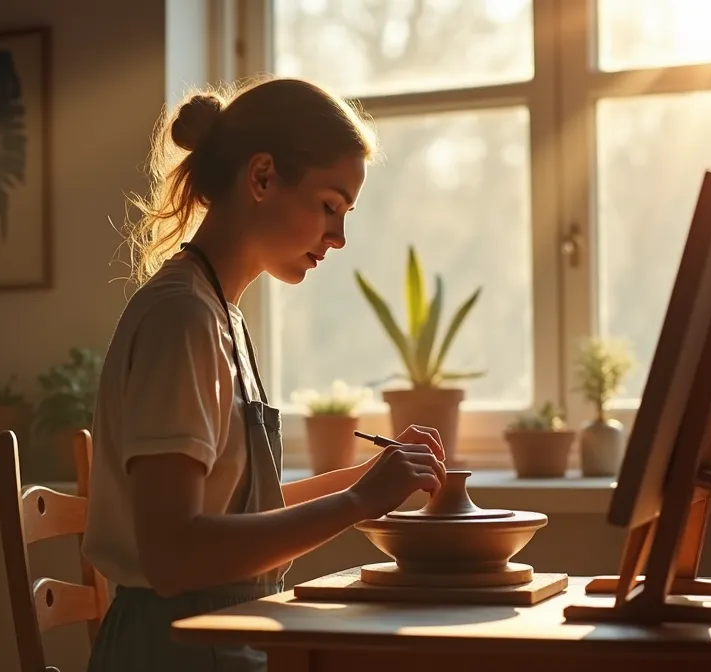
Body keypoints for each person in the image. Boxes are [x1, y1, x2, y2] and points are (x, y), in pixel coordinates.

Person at [81, 76, 449, 672]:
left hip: (222, 638)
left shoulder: (219, 313)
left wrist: (368, 480)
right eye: (330, 206)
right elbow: (174, 554)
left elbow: (235, 519)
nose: (340, 237)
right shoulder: (182, 318)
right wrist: (359, 499)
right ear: (261, 178)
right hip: (175, 651)